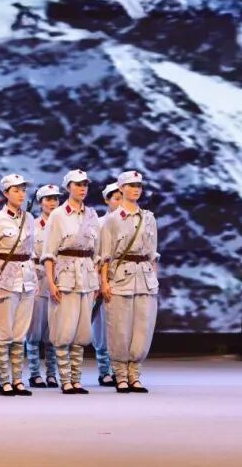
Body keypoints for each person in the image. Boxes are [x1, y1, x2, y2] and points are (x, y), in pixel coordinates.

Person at [98, 171, 159, 393]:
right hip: (120, 277)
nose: (136, 189)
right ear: (121, 188)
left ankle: (135, 374)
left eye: (138, 186)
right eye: (131, 185)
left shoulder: (148, 218)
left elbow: (152, 253)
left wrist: (154, 279)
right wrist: (104, 282)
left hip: (145, 277)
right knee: (119, 327)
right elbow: (105, 255)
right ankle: (120, 374)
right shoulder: (112, 220)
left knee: (143, 326)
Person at [41, 169, 100, 394]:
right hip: (65, 276)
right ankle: (65, 379)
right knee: (64, 329)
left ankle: (76, 379)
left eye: (85, 184)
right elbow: (49, 253)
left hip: (87, 276)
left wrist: (96, 279)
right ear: (68, 188)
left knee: (82, 331)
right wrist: (51, 283)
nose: (82, 188)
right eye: (77, 184)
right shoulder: (58, 215)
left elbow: (97, 252)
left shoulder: (92, 215)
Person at [0, 174, 37, 396]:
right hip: (5, 280)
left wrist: (34, 279)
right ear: (6, 193)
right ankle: (4, 380)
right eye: (16, 190)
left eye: (23, 190)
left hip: (27, 280)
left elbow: (31, 252)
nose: (21, 194)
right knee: (3, 333)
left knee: (20, 334)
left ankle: (18, 380)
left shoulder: (30, 218)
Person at [26, 184, 61, 388]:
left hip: (59, 278)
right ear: (40, 202)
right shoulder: (33, 225)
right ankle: (34, 373)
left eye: (55, 199)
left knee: (53, 331)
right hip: (38, 279)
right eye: (48, 199)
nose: (52, 202)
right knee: (34, 330)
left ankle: (51, 374)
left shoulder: (62, 223)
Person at [93, 181, 122, 387]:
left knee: (120, 327)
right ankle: (104, 370)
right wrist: (98, 281)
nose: (120, 202)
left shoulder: (132, 221)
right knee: (102, 327)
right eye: (116, 198)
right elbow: (94, 253)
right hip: (102, 281)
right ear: (107, 200)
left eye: (122, 198)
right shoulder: (99, 223)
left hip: (124, 280)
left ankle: (119, 369)